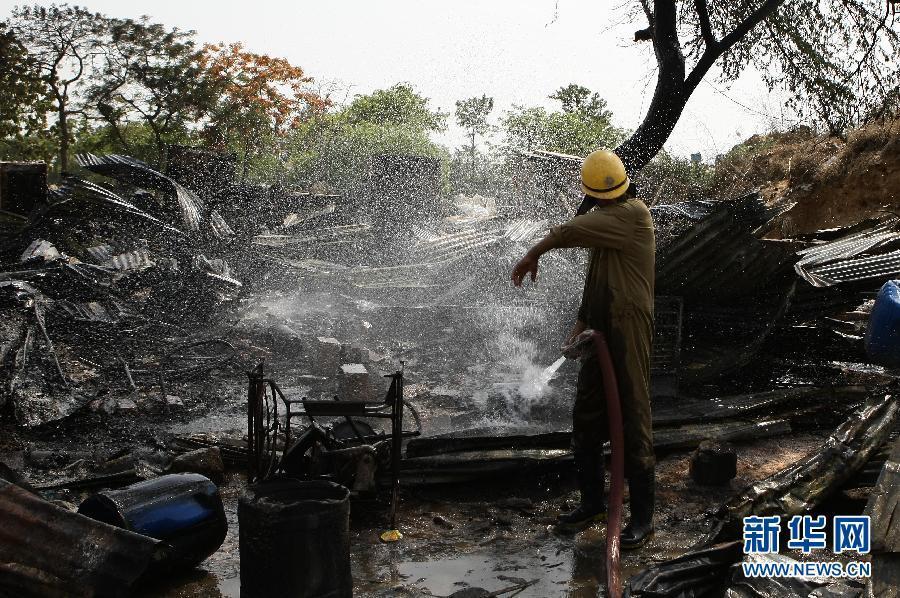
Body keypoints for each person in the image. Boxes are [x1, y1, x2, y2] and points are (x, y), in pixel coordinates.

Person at [510, 149, 656, 548]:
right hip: (600, 332)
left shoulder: (633, 216)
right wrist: (579, 327)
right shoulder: (605, 229)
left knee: (633, 417)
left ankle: (643, 519)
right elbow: (595, 286)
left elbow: (566, 231)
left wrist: (532, 253)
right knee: (587, 417)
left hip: (628, 330)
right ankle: (592, 503)